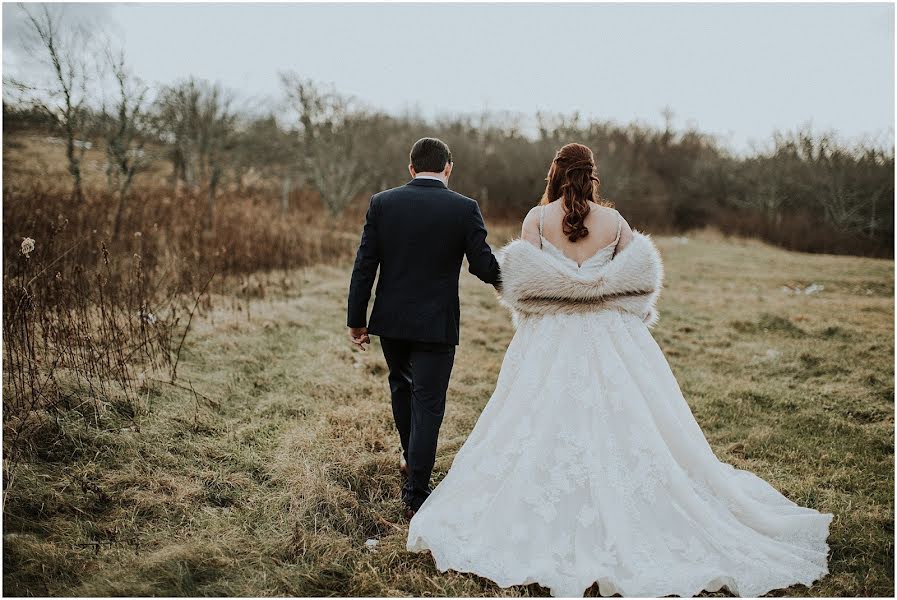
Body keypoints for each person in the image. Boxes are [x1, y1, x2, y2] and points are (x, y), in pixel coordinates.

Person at [406, 142, 833, 597]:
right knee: (629, 415)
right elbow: (638, 277)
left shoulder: (537, 218)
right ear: (592, 176)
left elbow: (521, 281)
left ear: (554, 172)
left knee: (537, 415)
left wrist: (554, 292)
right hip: (612, 334)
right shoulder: (615, 222)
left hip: (550, 333)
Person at [346, 137, 502, 520]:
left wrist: (357, 319)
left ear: (411, 167)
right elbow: (484, 266)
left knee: (401, 386)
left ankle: (409, 458)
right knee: (429, 404)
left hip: (392, 323)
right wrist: (525, 279)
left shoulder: (383, 203)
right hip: (436, 325)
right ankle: (416, 491)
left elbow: (365, 264)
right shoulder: (464, 209)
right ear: (448, 167)